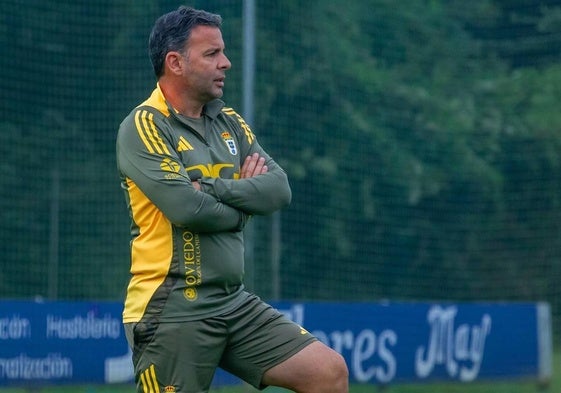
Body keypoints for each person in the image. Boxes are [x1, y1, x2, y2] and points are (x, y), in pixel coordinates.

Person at [116, 6, 348, 393]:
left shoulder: (229, 122)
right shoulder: (144, 125)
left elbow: (278, 189)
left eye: (222, 52)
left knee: (328, 373)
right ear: (175, 62)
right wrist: (244, 205)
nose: (226, 63)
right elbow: (185, 209)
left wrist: (214, 190)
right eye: (211, 54)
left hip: (232, 302)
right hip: (173, 308)